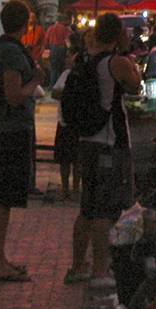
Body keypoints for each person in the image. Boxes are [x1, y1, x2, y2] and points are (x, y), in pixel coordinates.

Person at [61, 13, 141, 299]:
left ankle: (77, 266)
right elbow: (136, 85)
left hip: (86, 142)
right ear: (118, 34)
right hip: (110, 143)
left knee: (87, 207)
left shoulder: (82, 61)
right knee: (104, 210)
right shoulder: (116, 63)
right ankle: (99, 272)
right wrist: (128, 53)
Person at [0, 1, 42, 283]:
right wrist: (36, 82)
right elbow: (14, 95)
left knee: (3, 196)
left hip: (4, 129)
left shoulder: (3, 47)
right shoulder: (10, 53)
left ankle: (0, 259)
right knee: (2, 196)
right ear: (24, 24)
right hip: (9, 130)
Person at [52, 30, 88, 202]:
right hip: (72, 122)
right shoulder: (69, 75)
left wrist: (66, 94)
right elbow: (54, 93)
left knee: (71, 160)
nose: (67, 59)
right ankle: (70, 189)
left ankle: (71, 189)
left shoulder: (70, 75)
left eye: (69, 55)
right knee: (72, 160)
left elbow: (56, 93)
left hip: (68, 123)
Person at [44, 14, 72, 86]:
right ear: (62, 21)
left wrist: (47, 47)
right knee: (60, 68)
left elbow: (46, 39)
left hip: (53, 47)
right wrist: (69, 49)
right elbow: (68, 40)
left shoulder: (51, 28)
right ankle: (59, 85)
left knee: (53, 68)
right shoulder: (65, 29)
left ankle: (52, 85)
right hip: (62, 48)